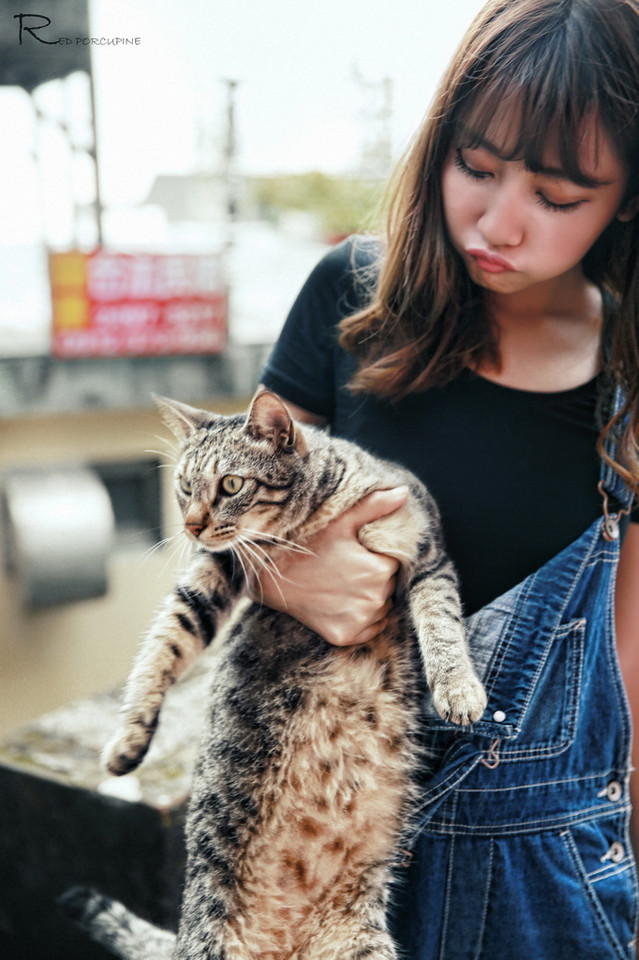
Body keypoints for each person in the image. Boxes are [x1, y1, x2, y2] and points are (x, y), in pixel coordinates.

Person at [255, 0, 639, 956]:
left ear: (627, 197)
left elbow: (628, 678)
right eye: (475, 165)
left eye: (557, 196)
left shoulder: (629, 375)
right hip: (320, 847)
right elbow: (225, 522)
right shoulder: (347, 298)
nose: (498, 223)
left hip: (547, 879)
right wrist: (289, 571)